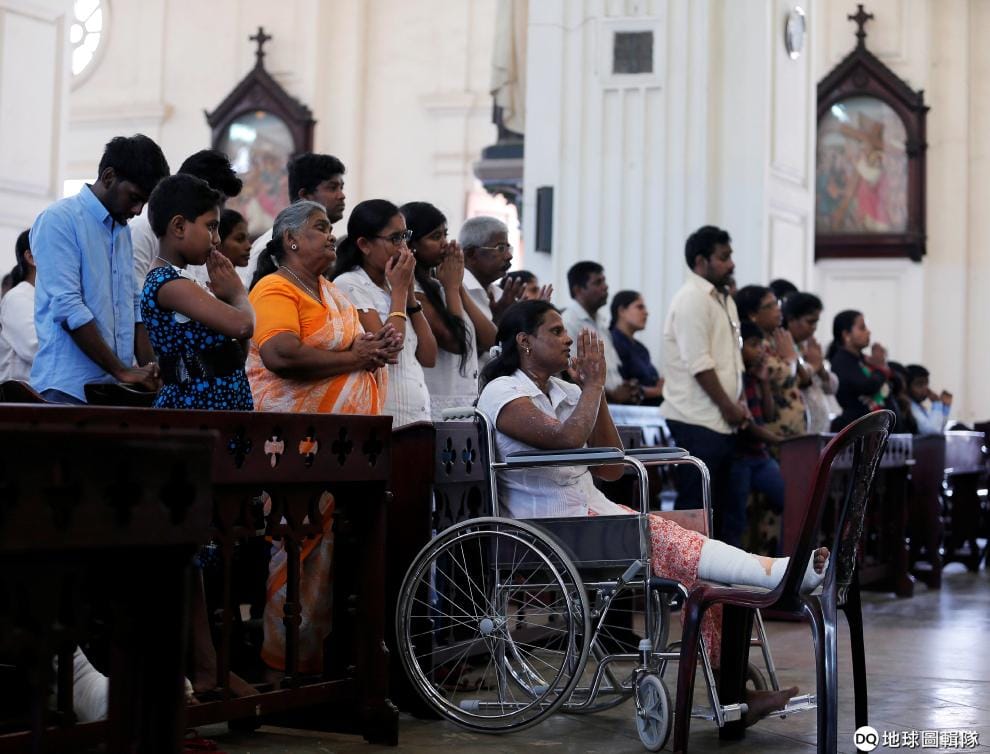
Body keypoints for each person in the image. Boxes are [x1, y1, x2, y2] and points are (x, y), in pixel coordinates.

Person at [477, 300, 827, 720]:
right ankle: (784, 574)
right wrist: (593, 387)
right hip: (546, 526)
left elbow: (610, 468)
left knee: (702, 573)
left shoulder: (566, 392)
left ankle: (733, 692)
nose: (568, 338)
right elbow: (566, 439)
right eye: (555, 331)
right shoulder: (502, 392)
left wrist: (592, 390)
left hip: (591, 516)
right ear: (524, 342)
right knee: (680, 547)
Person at [247, 200, 399, 675]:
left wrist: (376, 341)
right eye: (320, 227)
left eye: (331, 228)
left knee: (334, 555)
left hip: (342, 450)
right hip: (295, 447)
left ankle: (318, 668)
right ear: (290, 240)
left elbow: (372, 346)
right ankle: (284, 670)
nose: (331, 234)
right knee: (296, 548)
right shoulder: (275, 288)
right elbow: (281, 355)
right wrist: (356, 358)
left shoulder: (332, 293)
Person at [30, 133, 169, 403]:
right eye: (134, 198)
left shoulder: (121, 231)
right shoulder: (59, 219)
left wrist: (150, 369)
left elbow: (133, 304)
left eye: (144, 202)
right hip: (68, 388)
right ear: (108, 177)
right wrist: (122, 370)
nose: (138, 210)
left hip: (113, 389)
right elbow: (68, 307)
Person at [660, 226, 745, 538]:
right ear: (700, 261)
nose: (731, 264)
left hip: (721, 420)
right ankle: (687, 570)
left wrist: (739, 401)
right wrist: (728, 406)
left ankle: (716, 570)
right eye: (723, 257)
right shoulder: (692, 299)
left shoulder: (723, 299)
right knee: (696, 508)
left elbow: (731, 358)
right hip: (696, 419)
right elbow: (700, 364)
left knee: (720, 509)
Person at [142, 174, 254, 410]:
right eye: (211, 227)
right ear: (179, 226)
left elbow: (236, 352)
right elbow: (244, 326)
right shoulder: (168, 283)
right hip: (195, 409)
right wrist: (237, 294)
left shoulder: (185, 280)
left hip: (219, 406)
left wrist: (228, 299)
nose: (217, 239)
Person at [332, 199, 438, 428]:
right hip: (384, 417)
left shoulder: (394, 285)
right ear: (364, 245)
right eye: (394, 239)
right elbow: (390, 349)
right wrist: (399, 291)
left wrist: (410, 298)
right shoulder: (349, 284)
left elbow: (429, 357)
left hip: (417, 416)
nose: (403, 248)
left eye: (405, 236)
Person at [402, 201, 493, 418]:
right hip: (437, 403)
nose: (445, 244)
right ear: (412, 244)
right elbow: (455, 342)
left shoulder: (442, 284)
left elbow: (491, 339)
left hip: (463, 398)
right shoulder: (411, 290)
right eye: (435, 237)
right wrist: (452, 289)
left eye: (445, 234)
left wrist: (457, 287)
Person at [132, 149, 243, 289]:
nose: (220, 212)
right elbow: (135, 295)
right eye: (218, 203)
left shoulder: (198, 243)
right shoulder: (142, 228)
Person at [244, 153, 346, 287]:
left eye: (341, 188)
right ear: (304, 195)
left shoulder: (324, 247)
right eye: (332, 188)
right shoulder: (272, 245)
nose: (342, 195)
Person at [726, 321, 786, 547]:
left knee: (789, 498)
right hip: (740, 457)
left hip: (760, 457)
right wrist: (781, 442)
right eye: (753, 345)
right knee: (736, 518)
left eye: (761, 345)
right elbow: (748, 426)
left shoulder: (753, 378)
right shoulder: (735, 378)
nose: (760, 350)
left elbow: (768, 415)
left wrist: (764, 382)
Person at [735, 285, 807, 438]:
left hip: (793, 429)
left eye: (777, 303)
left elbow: (804, 378)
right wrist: (791, 358)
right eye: (770, 306)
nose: (778, 310)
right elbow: (781, 375)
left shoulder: (777, 340)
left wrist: (792, 356)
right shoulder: (754, 346)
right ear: (752, 315)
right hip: (774, 431)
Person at [562, 262, 639, 404]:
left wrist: (626, 388)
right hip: (590, 404)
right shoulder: (568, 323)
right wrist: (612, 395)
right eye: (598, 282)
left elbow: (611, 371)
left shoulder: (601, 323)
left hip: (611, 404)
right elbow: (570, 374)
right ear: (578, 290)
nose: (605, 287)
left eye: (604, 281)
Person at [827, 310, 894, 431]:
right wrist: (881, 368)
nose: (868, 332)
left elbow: (894, 382)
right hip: (855, 431)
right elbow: (866, 387)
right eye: (862, 328)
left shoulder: (864, 360)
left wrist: (882, 366)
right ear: (846, 334)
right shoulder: (842, 361)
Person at [783, 293, 838, 434]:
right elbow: (793, 380)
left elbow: (831, 388)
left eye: (816, 322)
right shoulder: (783, 346)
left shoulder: (809, 346)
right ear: (791, 319)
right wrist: (815, 366)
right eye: (810, 322)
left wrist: (821, 370)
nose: (814, 328)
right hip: (797, 427)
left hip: (819, 427)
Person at [459, 216, 521, 330]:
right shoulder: (454, 292)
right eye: (500, 248)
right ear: (471, 254)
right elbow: (465, 339)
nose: (509, 256)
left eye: (508, 248)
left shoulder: (501, 295)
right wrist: (499, 319)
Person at [608, 290, 664, 404]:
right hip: (624, 411)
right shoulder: (611, 342)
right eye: (640, 307)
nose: (646, 313)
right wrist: (657, 391)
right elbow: (618, 387)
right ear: (622, 311)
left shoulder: (641, 348)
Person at [0, 230, 38, 381]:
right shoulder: (18, 298)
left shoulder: (46, 298)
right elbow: (37, 349)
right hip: (24, 393)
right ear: (31, 257)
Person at [905, 364, 952, 435]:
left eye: (926, 384)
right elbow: (932, 432)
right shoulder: (910, 406)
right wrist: (937, 403)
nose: (925, 389)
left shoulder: (918, 406)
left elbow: (939, 429)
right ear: (906, 386)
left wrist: (944, 408)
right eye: (919, 384)